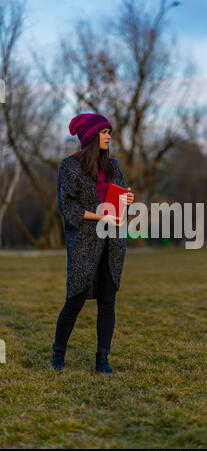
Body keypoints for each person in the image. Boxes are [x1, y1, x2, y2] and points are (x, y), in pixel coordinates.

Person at [51, 113, 134, 375]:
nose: (109, 136)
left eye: (109, 131)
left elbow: (119, 201)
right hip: (84, 242)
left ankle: (102, 360)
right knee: (75, 300)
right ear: (90, 136)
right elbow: (67, 206)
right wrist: (100, 215)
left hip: (112, 242)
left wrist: (127, 199)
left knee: (107, 301)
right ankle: (58, 354)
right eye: (104, 132)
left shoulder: (113, 167)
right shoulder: (70, 166)